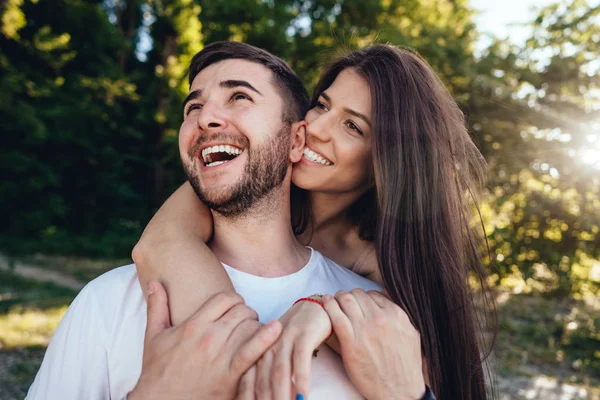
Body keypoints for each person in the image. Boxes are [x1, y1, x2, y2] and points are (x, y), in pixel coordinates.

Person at [27, 41, 426, 400]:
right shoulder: (108, 302)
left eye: (239, 96)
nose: (206, 118)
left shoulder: (384, 315)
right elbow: (162, 238)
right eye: (193, 107)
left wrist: (322, 308)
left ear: (295, 139)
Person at [134, 43, 497, 399]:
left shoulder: (384, 267)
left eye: (352, 126)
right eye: (322, 104)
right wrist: (248, 354)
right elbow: (161, 243)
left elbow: (399, 355)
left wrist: (320, 307)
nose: (317, 127)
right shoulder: (253, 183)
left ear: (384, 166)